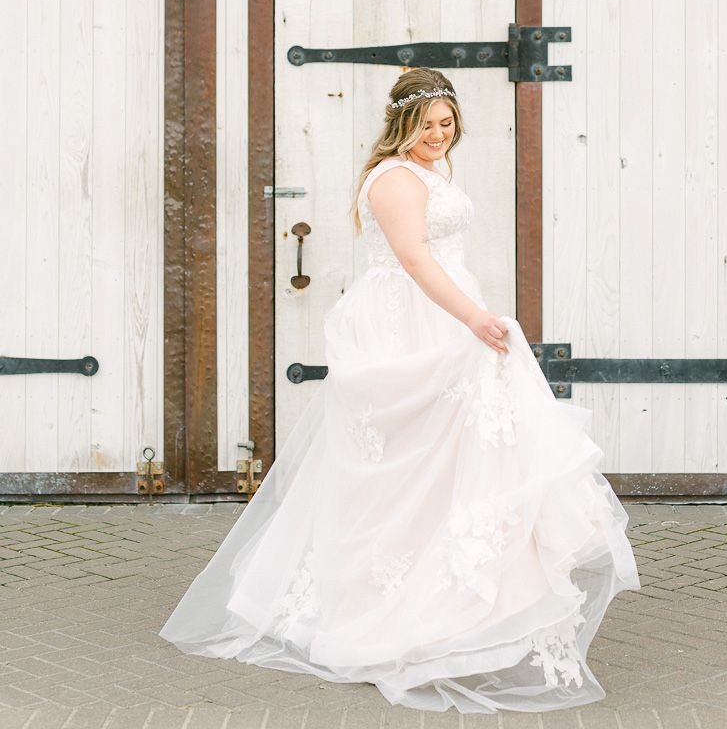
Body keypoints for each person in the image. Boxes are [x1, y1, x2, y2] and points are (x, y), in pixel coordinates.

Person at [158, 66, 641, 714]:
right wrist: (471, 317)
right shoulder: (391, 178)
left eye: (447, 124)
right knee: (404, 473)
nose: (439, 136)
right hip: (408, 324)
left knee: (462, 461)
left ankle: (465, 605)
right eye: (427, 125)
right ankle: (386, 610)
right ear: (402, 124)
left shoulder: (433, 171)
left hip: (447, 313)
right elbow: (414, 259)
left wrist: (472, 313)